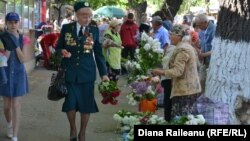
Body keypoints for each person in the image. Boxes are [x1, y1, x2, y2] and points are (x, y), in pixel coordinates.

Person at [55, 1, 109, 141]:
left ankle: (82, 132)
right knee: (70, 103)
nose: (87, 18)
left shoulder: (94, 30)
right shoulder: (67, 28)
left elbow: (98, 53)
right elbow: (58, 47)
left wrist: (103, 74)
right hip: (70, 72)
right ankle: (73, 128)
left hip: (87, 74)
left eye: (89, 16)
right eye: (84, 15)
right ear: (77, 15)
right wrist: (62, 51)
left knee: (86, 105)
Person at [151, 25, 201, 119]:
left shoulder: (182, 49)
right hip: (189, 88)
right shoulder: (186, 46)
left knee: (182, 119)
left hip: (185, 90)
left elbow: (178, 71)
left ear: (179, 36)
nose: (169, 37)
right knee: (187, 118)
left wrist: (161, 72)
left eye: (171, 35)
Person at [0, 12, 29, 141]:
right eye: (10, 22)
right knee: (6, 107)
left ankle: (15, 135)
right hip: (5, 74)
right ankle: (9, 124)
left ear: (19, 23)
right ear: (6, 23)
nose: (13, 24)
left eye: (15, 22)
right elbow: (3, 60)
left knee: (16, 105)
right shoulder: (1, 38)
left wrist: (15, 45)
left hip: (18, 74)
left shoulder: (24, 38)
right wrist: (7, 49)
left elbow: (23, 59)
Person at [194, 14, 216, 93]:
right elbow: (201, 45)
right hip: (204, 63)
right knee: (201, 83)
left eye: (199, 25)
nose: (198, 27)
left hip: (212, 63)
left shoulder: (214, 30)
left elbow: (216, 50)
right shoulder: (201, 31)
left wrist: (203, 54)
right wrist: (199, 51)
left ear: (205, 22)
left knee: (210, 85)